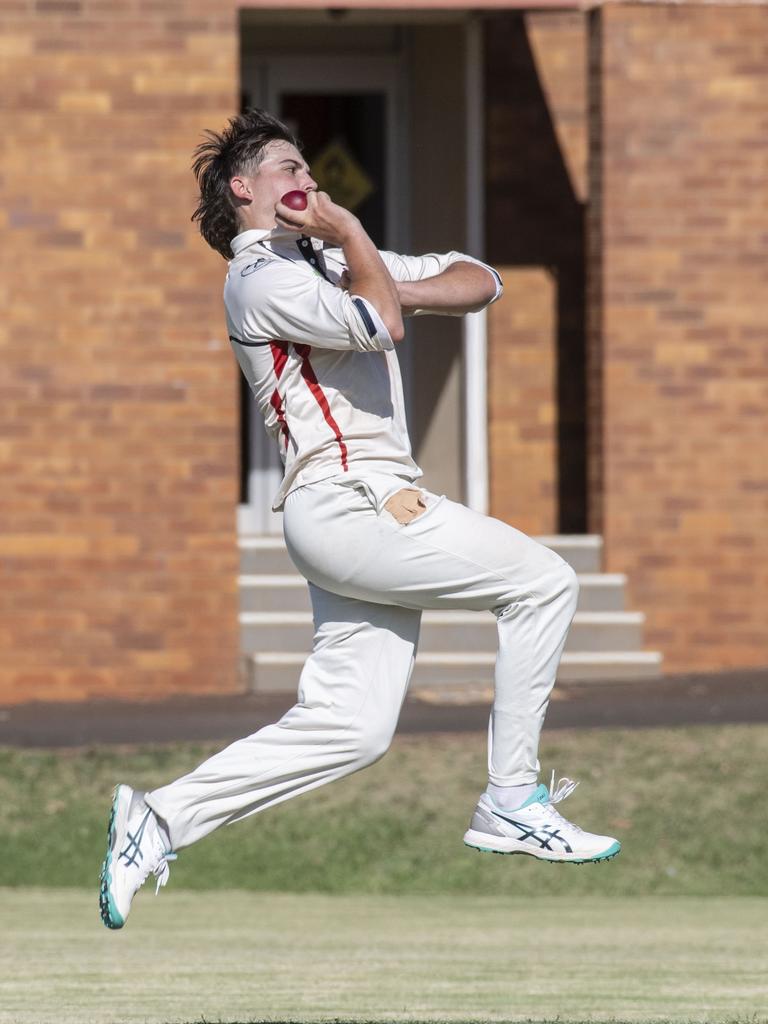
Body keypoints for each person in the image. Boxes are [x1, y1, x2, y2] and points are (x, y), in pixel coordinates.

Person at [99, 109, 620, 931]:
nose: (306, 177)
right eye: (285, 166)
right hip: (352, 499)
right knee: (544, 581)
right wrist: (354, 240)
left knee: (352, 728)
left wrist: (375, 270)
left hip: (353, 512)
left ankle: (158, 819)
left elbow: (482, 278)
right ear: (243, 190)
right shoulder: (261, 277)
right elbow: (382, 327)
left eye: (309, 164)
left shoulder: (337, 263)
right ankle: (512, 798)